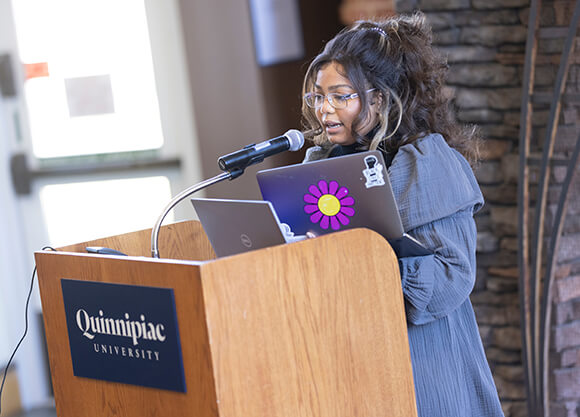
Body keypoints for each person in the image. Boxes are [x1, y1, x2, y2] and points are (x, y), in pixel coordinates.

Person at [300, 11, 504, 417]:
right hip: (353, 353)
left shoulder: (427, 163)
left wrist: (369, 262)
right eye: (318, 96)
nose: (325, 109)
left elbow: (452, 277)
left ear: (378, 97)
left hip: (424, 361)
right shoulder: (320, 163)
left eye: (341, 96)